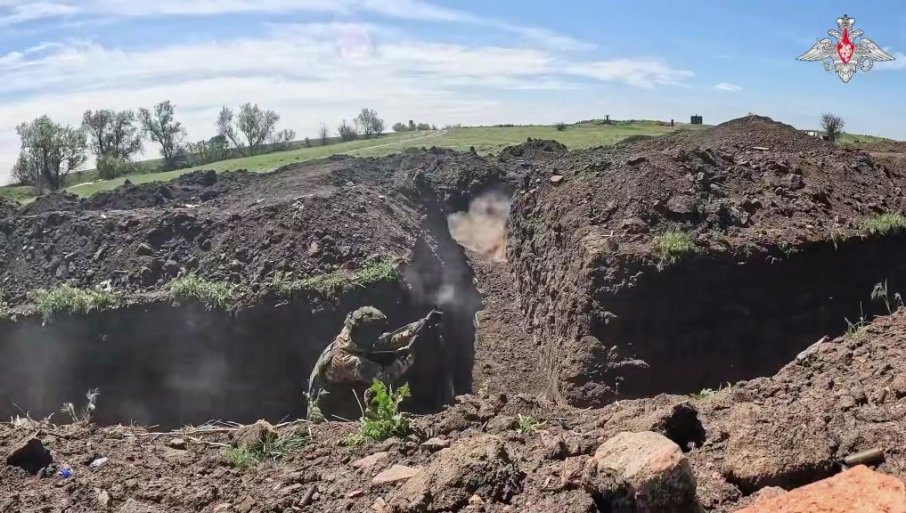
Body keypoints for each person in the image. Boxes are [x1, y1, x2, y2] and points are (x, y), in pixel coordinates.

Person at [307, 307, 442, 421]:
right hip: (331, 407)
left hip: (343, 386)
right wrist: (410, 356)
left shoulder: (352, 335)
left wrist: (416, 329)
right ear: (365, 334)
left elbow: (385, 341)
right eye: (375, 331)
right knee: (376, 393)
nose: (378, 334)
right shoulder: (349, 361)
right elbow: (386, 376)